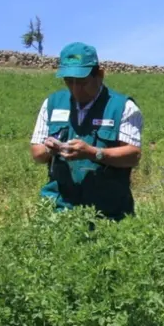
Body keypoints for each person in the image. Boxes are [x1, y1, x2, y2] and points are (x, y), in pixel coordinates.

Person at [29, 42, 143, 221]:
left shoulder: (123, 107)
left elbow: (133, 155)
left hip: (109, 214)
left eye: (82, 82)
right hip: (58, 211)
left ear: (100, 75)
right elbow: (36, 153)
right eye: (69, 82)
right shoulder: (52, 103)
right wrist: (49, 148)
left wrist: (93, 153)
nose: (75, 89)